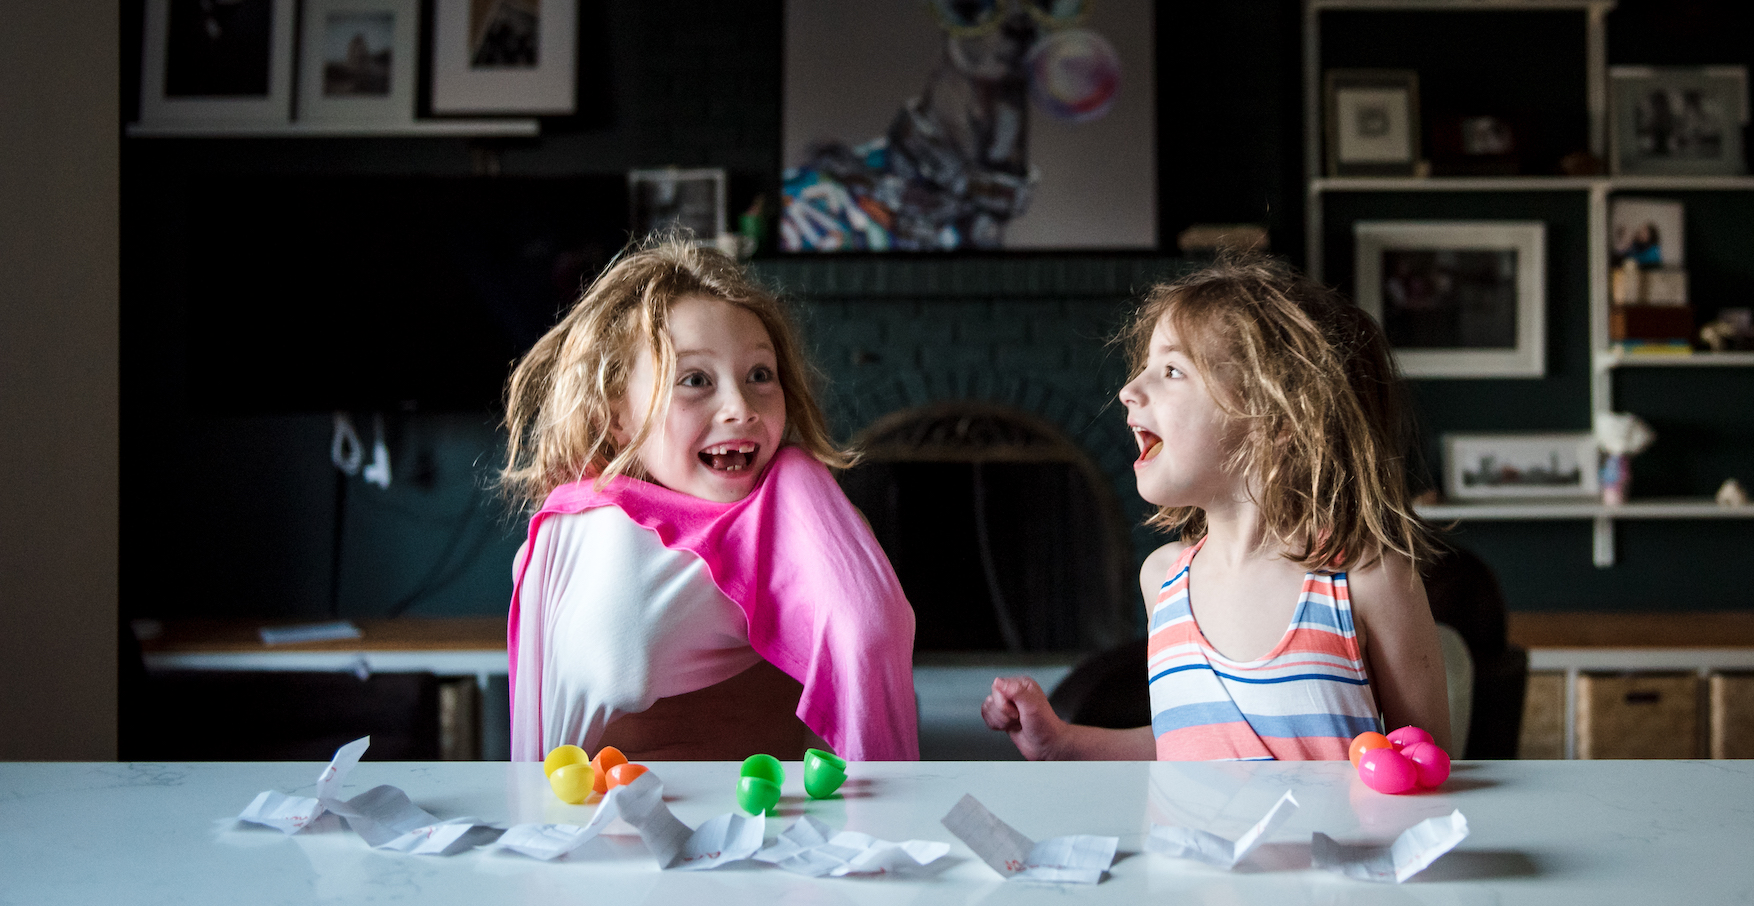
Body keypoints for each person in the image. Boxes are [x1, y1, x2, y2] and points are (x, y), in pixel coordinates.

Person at [981, 256, 1449, 760]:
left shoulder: (1367, 579)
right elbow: (1189, 745)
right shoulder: (1161, 579)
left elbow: (1429, 768)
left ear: (1278, 418)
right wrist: (1063, 743)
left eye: (1172, 370)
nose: (1128, 390)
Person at [503, 234, 918, 764]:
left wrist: (804, 487)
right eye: (695, 379)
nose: (740, 407)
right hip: (613, 822)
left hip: (779, 823)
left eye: (760, 376)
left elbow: (868, 637)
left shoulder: (808, 516)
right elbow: (590, 689)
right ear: (616, 413)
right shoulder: (582, 534)